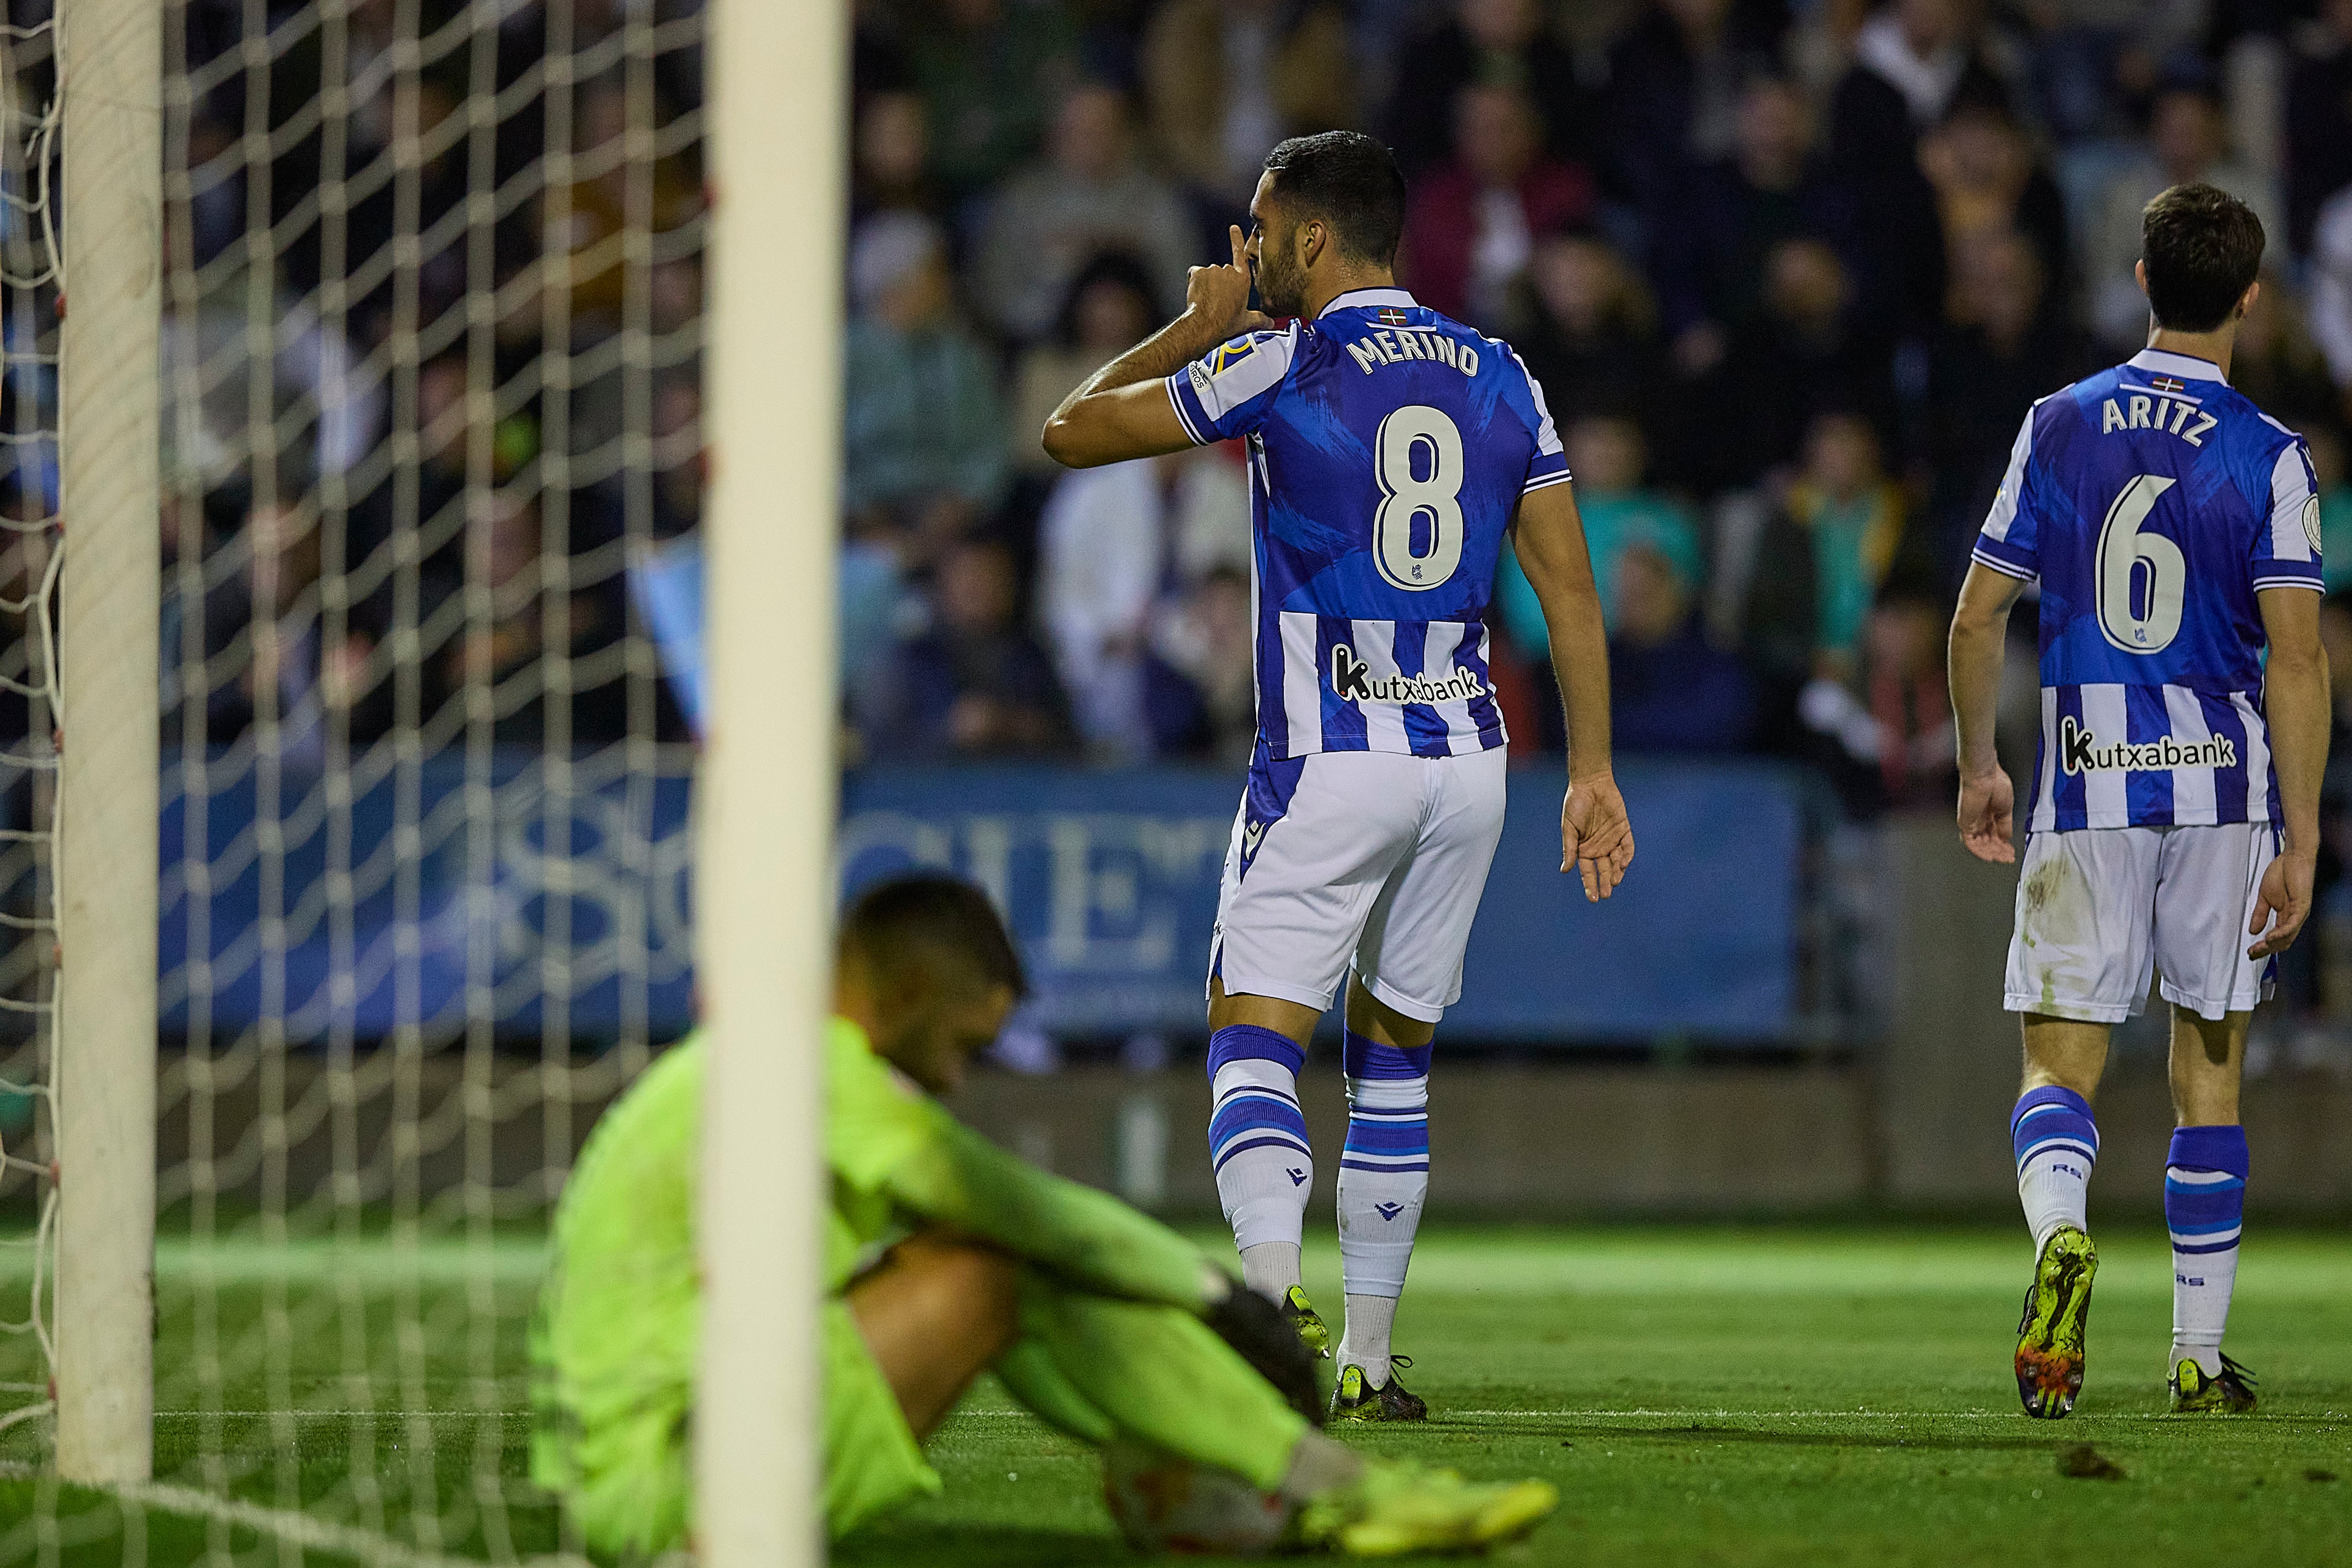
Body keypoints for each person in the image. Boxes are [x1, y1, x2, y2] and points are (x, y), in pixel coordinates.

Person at [1042, 131, 1632, 1422]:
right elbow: (1571, 592)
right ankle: (1367, 1358)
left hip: (1331, 753)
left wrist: (1183, 333)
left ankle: (1271, 1313)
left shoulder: (1279, 357)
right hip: (1470, 761)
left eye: (1257, 228)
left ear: (1312, 240)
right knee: (1397, 1053)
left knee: (1251, 1031)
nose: (1244, 251)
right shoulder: (1502, 371)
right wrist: (1591, 768)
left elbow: (1067, 431)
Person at [529, 873, 1562, 1554]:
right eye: (963, 1044)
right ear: (908, 994)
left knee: (986, 1264)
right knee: (996, 1264)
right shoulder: (824, 1075)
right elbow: (1041, 1215)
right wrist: (1213, 1295)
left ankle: (1264, 1470)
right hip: (667, 1479)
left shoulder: (762, 1059)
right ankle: (1331, 1487)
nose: (958, 1079)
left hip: (652, 1449)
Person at [1947, 184, 2330, 1420]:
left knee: (2062, 1060)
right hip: (2225, 797)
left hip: (2089, 785)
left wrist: (1978, 763)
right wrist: (2308, 832)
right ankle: (2197, 1355)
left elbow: (1976, 612)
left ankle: (2060, 1233)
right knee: (2208, 1069)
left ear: (2139, 277)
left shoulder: (2061, 422)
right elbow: (2301, 658)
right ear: (2251, 297)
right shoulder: (2272, 452)